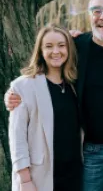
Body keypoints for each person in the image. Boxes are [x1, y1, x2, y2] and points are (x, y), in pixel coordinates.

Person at [5, 0, 103, 191]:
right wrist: (12, 95)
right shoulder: (77, 46)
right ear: (89, 16)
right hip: (92, 150)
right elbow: (48, 65)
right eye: (96, 11)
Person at [8, 24, 82, 191]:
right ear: (40, 51)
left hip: (73, 175)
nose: (56, 51)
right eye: (48, 46)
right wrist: (25, 180)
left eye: (61, 45)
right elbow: (17, 137)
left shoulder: (74, 84)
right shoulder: (24, 86)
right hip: (39, 176)